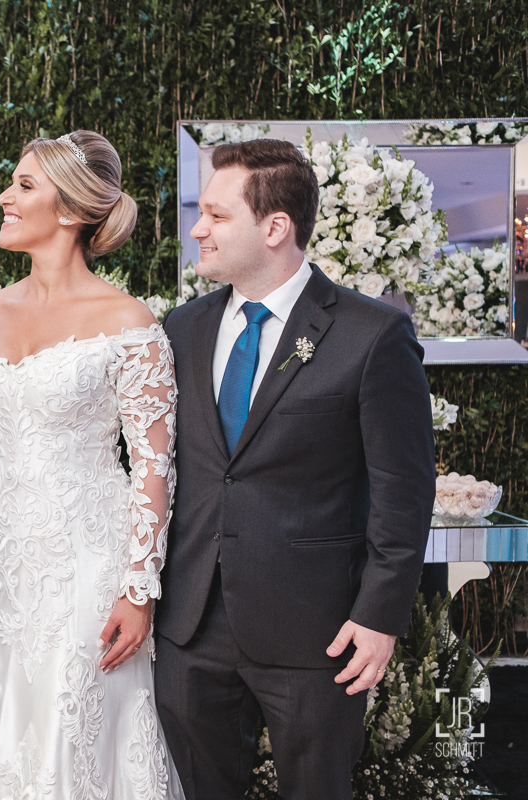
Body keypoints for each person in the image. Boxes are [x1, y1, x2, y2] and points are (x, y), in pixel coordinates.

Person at [154, 139, 435, 799]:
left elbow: (403, 490)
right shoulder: (181, 328)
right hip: (190, 626)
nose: (198, 229)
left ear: (275, 226)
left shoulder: (371, 334)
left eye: (216, 215)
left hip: (317, 632)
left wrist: (380, 617)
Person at [0, 131, 186, 799]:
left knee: (74, 724)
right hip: (6, 557)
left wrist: (139, 590)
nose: (3, 197)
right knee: (10, 711)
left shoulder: (128, 321)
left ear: (69, 210)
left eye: (23, 185)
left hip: (89, 558)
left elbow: (154, 467)